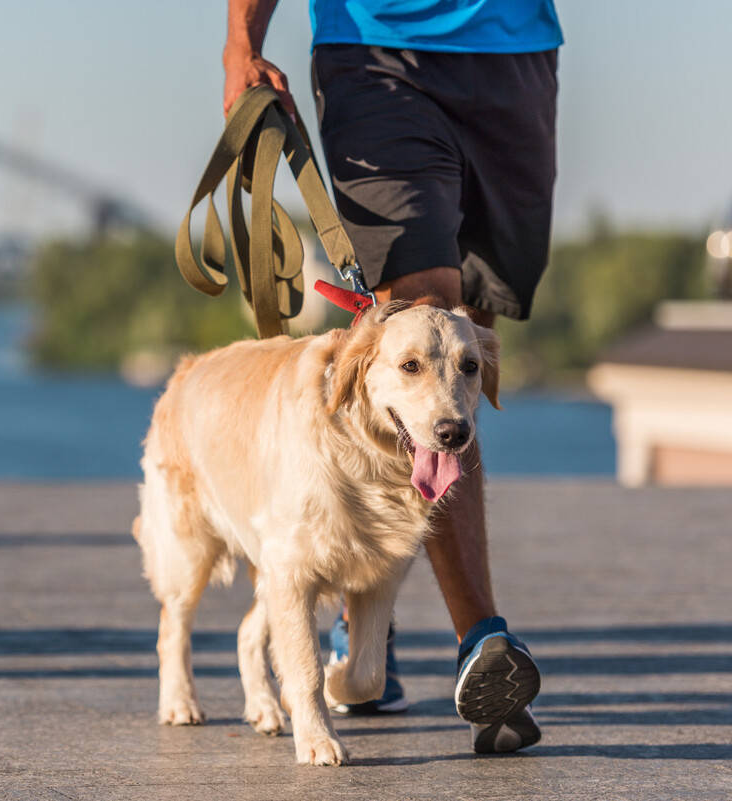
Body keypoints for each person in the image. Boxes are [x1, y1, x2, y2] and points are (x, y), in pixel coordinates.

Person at [222, 0, 562, 753]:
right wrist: (241, 40)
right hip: (376, 54)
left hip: (515, 51)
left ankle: (364, 597)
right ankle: (481, 635)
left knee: (469, 335)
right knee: (425, 323)